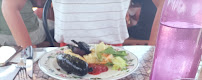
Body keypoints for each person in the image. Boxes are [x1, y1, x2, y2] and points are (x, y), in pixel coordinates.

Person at [2, 0, 130, 48]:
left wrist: (150, 61)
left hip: (113, 53)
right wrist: (28, 56)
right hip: (68, 52)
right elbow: (10, 5)